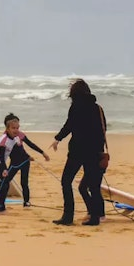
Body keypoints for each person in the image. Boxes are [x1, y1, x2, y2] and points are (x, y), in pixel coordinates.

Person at [49, 79, 107, 226]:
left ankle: (68, 216)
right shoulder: (98, 108)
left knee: (66, 181)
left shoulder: (76, 107)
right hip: (94, 151)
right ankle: (95, 217)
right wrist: (99, 148)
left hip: (78, 150)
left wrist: (58, 138)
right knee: (93, 185)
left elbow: (69, 125)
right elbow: (103, 129)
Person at [0, 113, 50, 213]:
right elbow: (2, 157)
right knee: (5, 184)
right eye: (13, 128)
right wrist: (4, 169)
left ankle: (24, 202)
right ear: (7, 128)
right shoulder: (4, 140)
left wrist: (42, 153)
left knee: (19, 183)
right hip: (2, 164)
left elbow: (29, 144)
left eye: (17, 127)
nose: (16, 130)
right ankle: (0, 206)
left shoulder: (17, 136)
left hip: (16, 162)